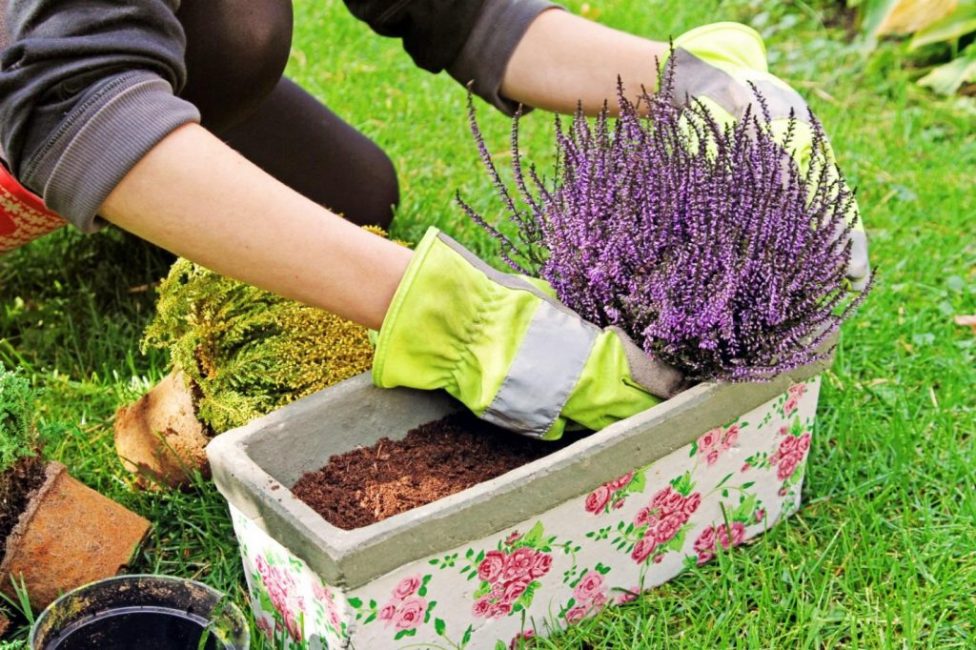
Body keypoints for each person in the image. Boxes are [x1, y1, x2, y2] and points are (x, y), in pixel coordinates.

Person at [0, 1, 867, 440]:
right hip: (29, 83)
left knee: (352, 192)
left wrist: (700, 88)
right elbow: (70, 95)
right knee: (233, 28)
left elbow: (466, 11)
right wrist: (452, 313)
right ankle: (123, 175)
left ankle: (146, 171)